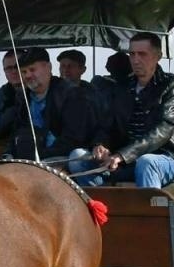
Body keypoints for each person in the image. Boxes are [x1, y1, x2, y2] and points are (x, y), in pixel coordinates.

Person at [92, 32, 174, 189]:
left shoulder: (171, 86)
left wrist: (123, 155)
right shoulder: (123, 87)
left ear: (157, 56)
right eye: (132, 54)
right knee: (78, 159)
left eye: (142, 54)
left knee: (147, 163)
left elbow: (164, 129)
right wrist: (101, 145)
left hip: (168, 157)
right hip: (127, 160)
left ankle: (151, 213)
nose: (136, 59)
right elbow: (108, 124)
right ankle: (100, 210)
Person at [7, 48, 103, 184]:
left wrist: (39, 157)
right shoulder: (23, 97)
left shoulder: (72, 95)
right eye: (24, 72)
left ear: (48, 68)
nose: (28, 75)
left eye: (32, 70)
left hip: (63, 157)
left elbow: (74, 139)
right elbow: (16, 131)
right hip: (29, 160)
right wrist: (9, 154)